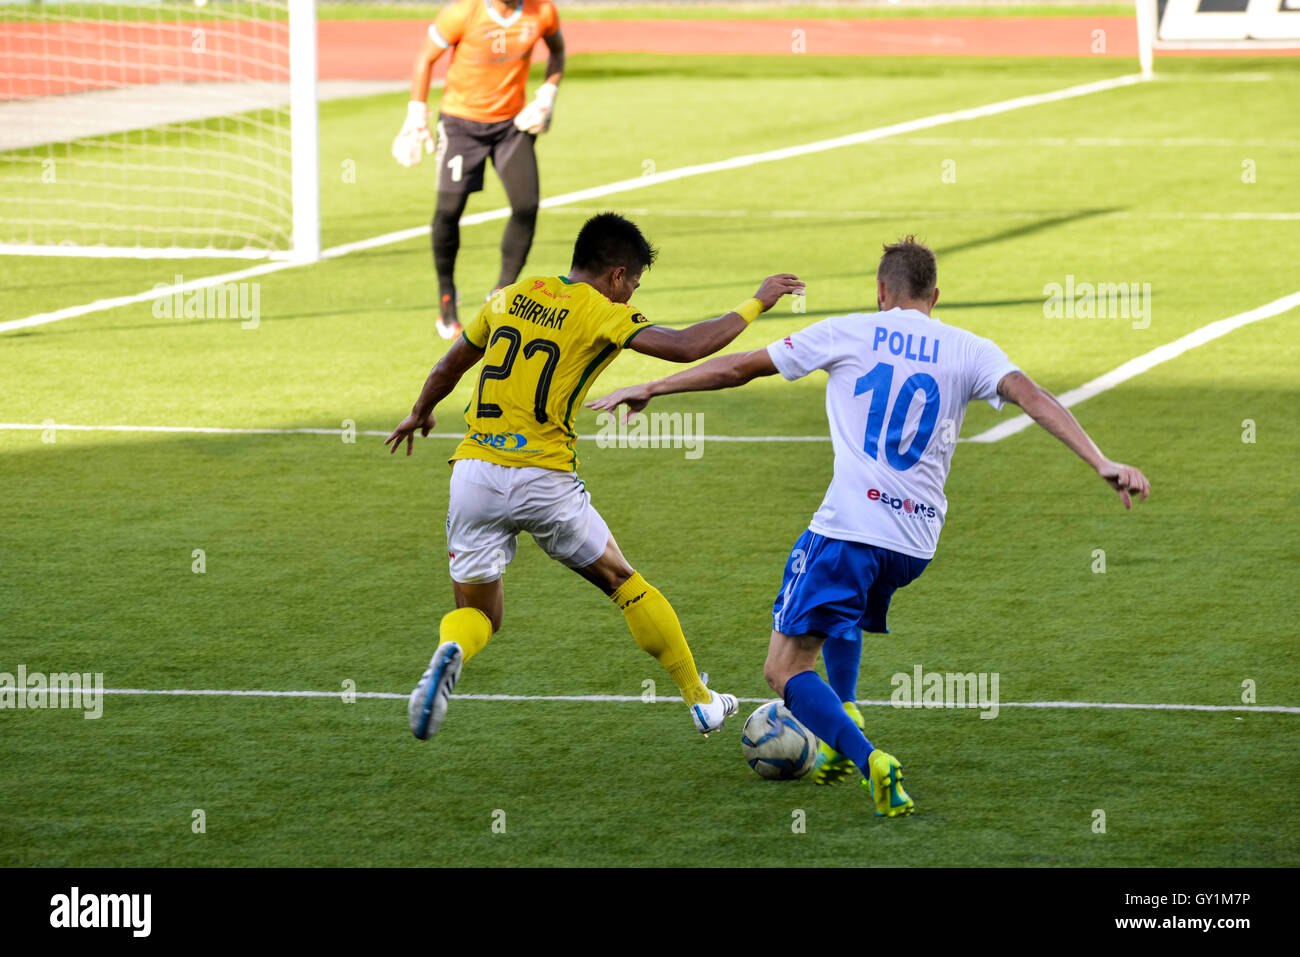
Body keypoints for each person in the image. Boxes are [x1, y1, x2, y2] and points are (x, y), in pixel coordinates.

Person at [588, 235, 1150, 817]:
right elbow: (1034, 398)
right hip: (914, 544)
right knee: (843, 612)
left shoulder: (848, 330)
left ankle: (868, 758)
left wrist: (653, 384)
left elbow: (738, 368)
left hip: (850, 528)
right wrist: (1102, 461)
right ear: (935, 295)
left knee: (783, 669)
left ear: (881, 292)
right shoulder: (970, 349)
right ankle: (846, 709)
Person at [385, 211, 804, 743]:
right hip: (544, 477)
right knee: (622, 582)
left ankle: (453, 650)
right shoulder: (600, 311)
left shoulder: (510, 295)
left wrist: (422, 411)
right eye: (632, 284)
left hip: (473, 474)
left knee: (479, 614)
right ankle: (700, 700)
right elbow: (689, 346)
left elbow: (451, 365)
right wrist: (759, 300)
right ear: (615, 275)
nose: (629, 296)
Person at [392, 0, 565, 340]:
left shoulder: (541, 10)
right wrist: (416, 115)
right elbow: (425, 58)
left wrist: (546, 96)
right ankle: (446, 297)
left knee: (526, 206)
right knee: (448, 211)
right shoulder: (462, 12)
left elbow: (557, 51)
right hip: (461, 126)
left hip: (511, 127)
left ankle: (502, 293)